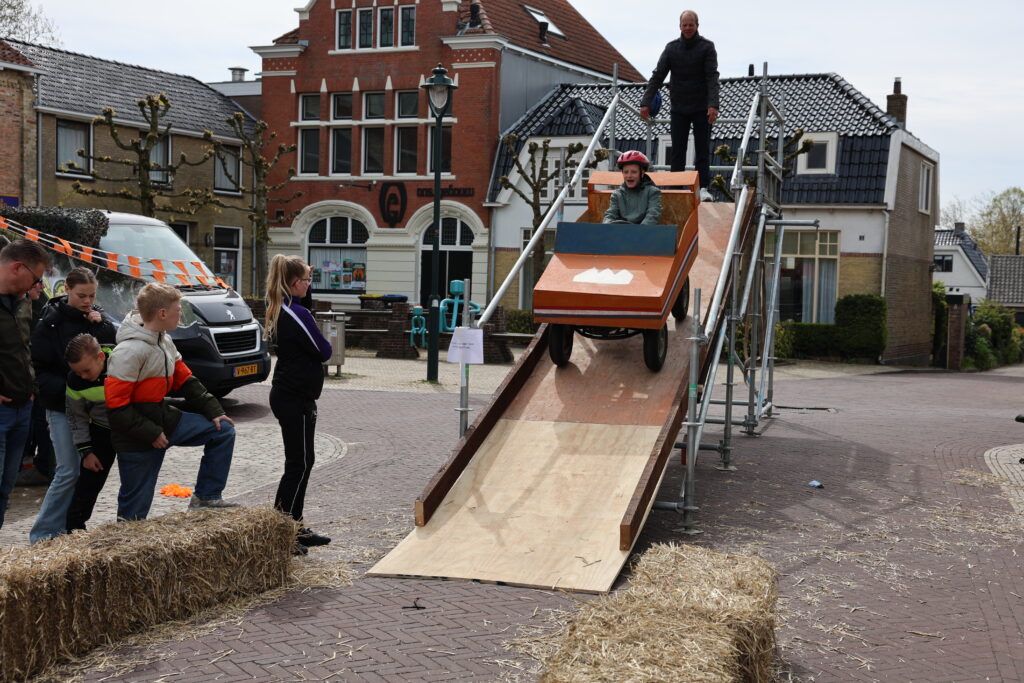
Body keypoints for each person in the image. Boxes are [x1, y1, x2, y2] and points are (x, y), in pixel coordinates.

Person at [106, 282, 237, 520]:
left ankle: (206, 498)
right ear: (162, 313)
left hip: (164, 421)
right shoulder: (127, 352)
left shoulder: (164, 341)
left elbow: (186, 380)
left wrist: (215, 411)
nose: (181, 314)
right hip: (136, 439)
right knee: (133, 515)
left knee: (223, 431)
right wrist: (151, 433)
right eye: (178, 309)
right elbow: (116, 409)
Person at [29, 267, 117, 543]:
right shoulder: (49, 324)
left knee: (86, 471)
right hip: (60, 407)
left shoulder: (98, 318)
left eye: (92, 295)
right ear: (66, 289)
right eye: (81, 295)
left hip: (94, 410)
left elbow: (111, 351)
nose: (87, 301)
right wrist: (71, 390)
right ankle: (42, 535)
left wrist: (101, 324)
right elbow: (39, 371)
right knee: (68, 470)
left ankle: (70, 527)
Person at [264, 255, 333, 555]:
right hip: (294, 397)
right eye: (306, 280)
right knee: (298, 464)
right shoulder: (296, 313)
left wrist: (307, 284)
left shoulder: (285, 306)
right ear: (294, 283)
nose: (309, 283)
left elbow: (305, 309)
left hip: (292, 394)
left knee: (303, 461)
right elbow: (324, 350)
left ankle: (296, 527)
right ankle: (283, 533)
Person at [639, 9, 719, 202]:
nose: (688, 28)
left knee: (702, 150)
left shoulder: (707, 47)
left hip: (701, 107)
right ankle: (676, 189)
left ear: (697, 26)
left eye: (691, 25)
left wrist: (713, 105)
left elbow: (712, 77)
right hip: (679, 108)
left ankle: (703, 188)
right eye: (685, 25)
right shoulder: (671, 48)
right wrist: (645, 102)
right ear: (680, 26)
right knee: (677, 151)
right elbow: (658, 75)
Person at [0, 238, 51, 529]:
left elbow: (25, 348)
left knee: (5, 490)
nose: (37, 285)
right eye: (36, 278)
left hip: (22, 409)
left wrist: (31, 389)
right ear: (18, 267)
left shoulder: (22, 303)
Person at [64, 334, 117, 532]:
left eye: (86, 371)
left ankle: (130, 524)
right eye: (77, 372)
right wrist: (86, 452)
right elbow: (76, 417)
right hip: (101, 430)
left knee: (133, 482)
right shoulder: (74, 381)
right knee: (87, 486)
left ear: (101, 357)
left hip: (132, 429)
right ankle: (74, 531)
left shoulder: (123, 361)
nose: (83, 377)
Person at [18, 278, 55, 484]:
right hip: (22, 381)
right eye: (37, 281)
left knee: (40, 420)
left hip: (35, 380)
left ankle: (41, 466)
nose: (41, 286)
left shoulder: (41, 304)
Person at [603, 150, 663, 225]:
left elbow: (652, 215)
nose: (629, 176)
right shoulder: (617, 195)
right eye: (626, 172)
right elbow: (610, 215)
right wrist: (606, 226)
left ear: (642, 173)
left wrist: (639, 230)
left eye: (634, 172)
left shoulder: (652, 192)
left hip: (644, 231)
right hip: (621, 231)